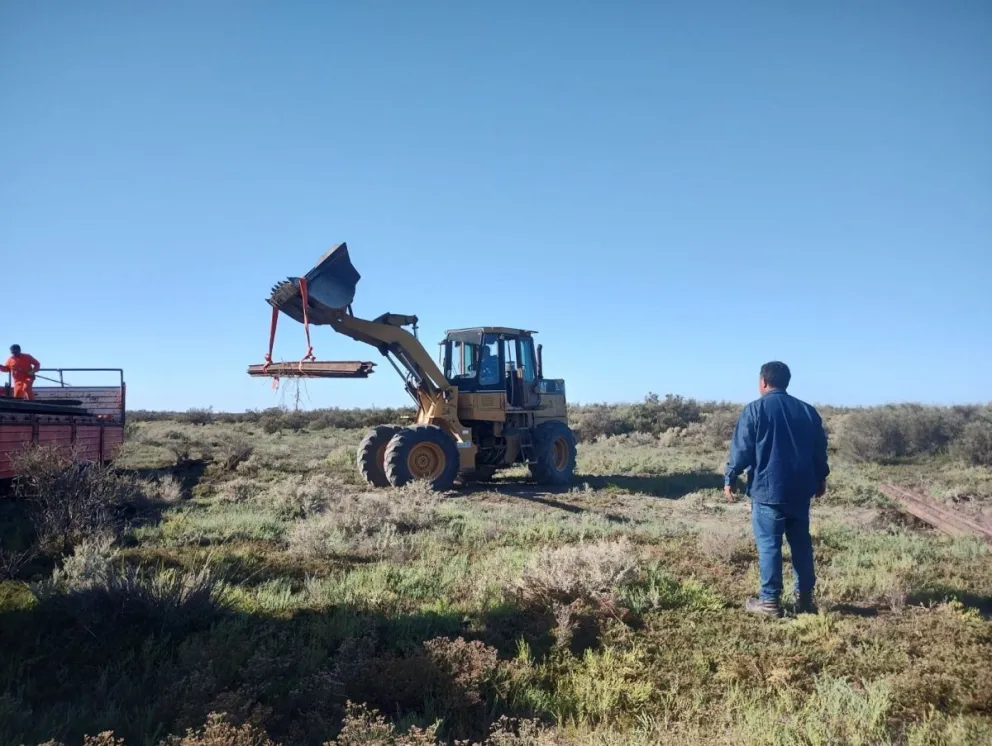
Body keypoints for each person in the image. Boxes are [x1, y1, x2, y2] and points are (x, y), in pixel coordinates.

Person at [724, 361, 829, 617]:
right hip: (800, 491)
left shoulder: (754, 410)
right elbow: (819, 450)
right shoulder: (807, 411)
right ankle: (805, 600)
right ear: (786, 382)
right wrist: (821, 478)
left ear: (763, 381)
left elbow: (742, 449)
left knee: (770, 545)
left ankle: (770, 602)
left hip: (767, 491)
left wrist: (731, 476)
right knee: (801, 545)